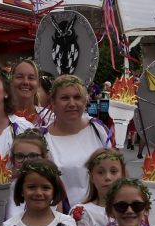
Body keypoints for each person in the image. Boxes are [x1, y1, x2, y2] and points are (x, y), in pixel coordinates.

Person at [45, 74, 111, 207]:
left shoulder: (97, 129)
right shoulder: (43, 139)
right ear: (53, 102)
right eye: (64, 98)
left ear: (85, 100)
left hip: (100, 216)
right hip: (63, 217)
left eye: (77, 97)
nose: (72, 103)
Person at [70, 149, 124, 226]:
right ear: (91, 177)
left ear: (122, 174)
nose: (107, 177)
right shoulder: (82, 212)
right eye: (100, 172)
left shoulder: (133, 208)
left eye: (113, 171)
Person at [8, 58, 54, 128]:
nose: (25, 82)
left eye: (31, 78)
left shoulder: (49, 118)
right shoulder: (2, 118)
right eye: (20, 77)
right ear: (11, 81)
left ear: (38, 83)